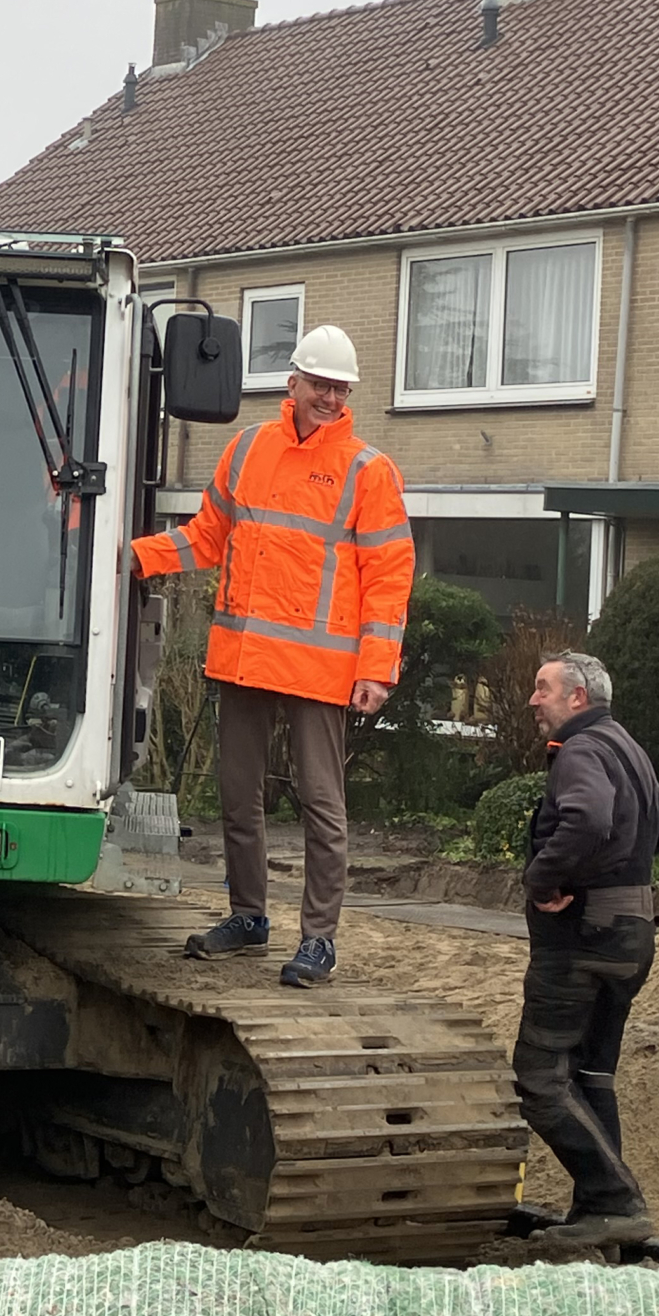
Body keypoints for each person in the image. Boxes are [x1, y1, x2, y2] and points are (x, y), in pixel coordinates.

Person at [131, 324, 413, 989]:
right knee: (238, 797)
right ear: (294, 382)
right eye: (320, 385)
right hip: (245, 660)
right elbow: (207, 537)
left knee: (322, 806)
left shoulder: (368, 470)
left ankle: (318, 940)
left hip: (319, 669)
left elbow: (389, 575)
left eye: (341, 389)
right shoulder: (248, 448)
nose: (331, 399)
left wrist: (377, 669)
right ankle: (248, 917)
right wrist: (136, 558)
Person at [515, 650, 659, 1245]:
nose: (534, 700)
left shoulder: (580, 750)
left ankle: (614, 1202)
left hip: (582, 938)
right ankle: (600, 1216)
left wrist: (543, 880)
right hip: (633, 934)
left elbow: (586, 819)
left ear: (577, 697)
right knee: (591, 1074)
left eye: (543, 688)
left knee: (539, 1077)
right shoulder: (626, 747)